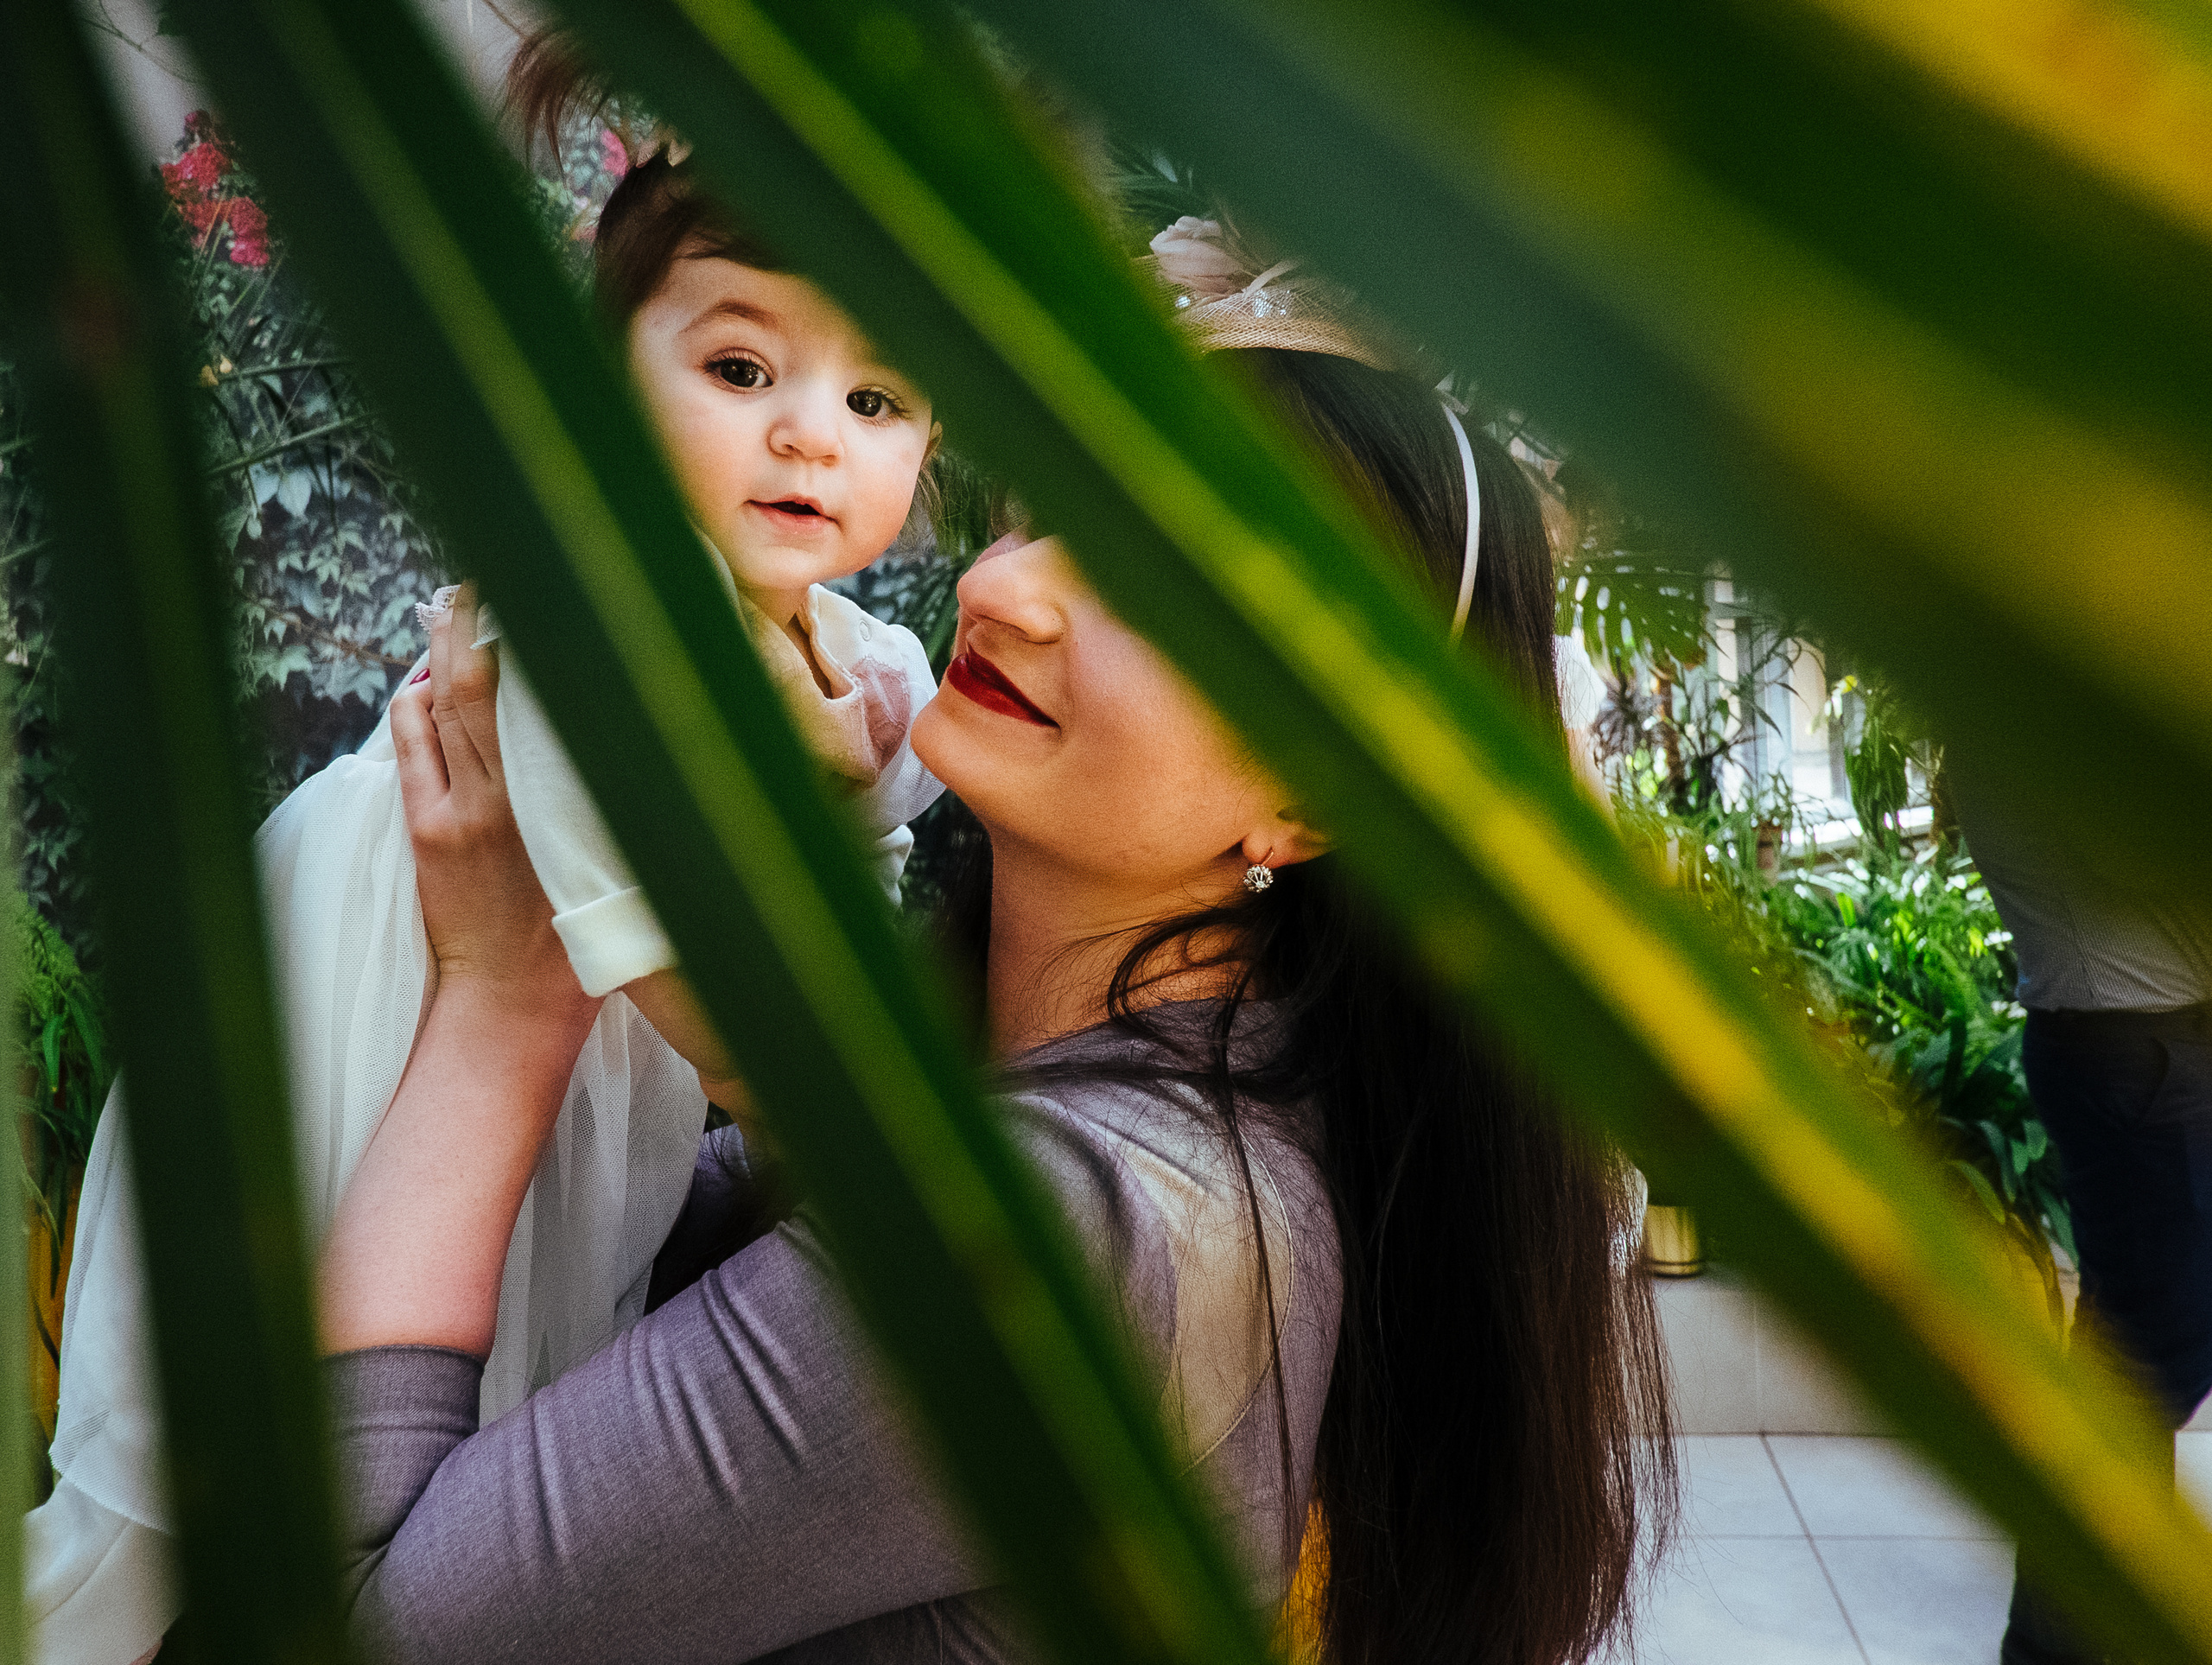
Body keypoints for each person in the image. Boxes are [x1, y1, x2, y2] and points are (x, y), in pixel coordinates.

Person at [308, 222, 1674, 1664]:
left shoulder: (1080, 1241)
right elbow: (668, 1241)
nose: (1003, 588)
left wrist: (504, 1007)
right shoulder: (1170, 1085)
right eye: (1045, 515)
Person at [29, 56, 945, 1662]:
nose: (814, 438)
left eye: (877, 403)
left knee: (518, 1337)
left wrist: (858, 769)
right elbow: (654, 959)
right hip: (389, 992)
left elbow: (873, 803)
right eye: (742, 368)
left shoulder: (829, 644)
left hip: (558, 1023)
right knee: (220, 1427)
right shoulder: (582, 613)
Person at [1946, 768, 2212, 1665]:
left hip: (2141, 1047)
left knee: (2136, 1356)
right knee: (2139, 1373)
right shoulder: (2026, 740)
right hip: (2135, 1055)